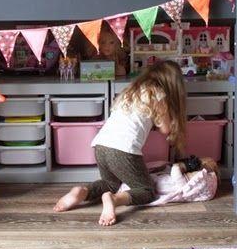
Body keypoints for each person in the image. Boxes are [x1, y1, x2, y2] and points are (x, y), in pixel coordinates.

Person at [53, 60, 186, 226]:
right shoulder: (158, 95)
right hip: (123, 150)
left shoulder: (131, 90)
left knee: (111, 183)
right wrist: (170, 115)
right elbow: (165, 129)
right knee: (146, 191)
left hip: (101, 145)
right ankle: (114, 200)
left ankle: (81, 192)